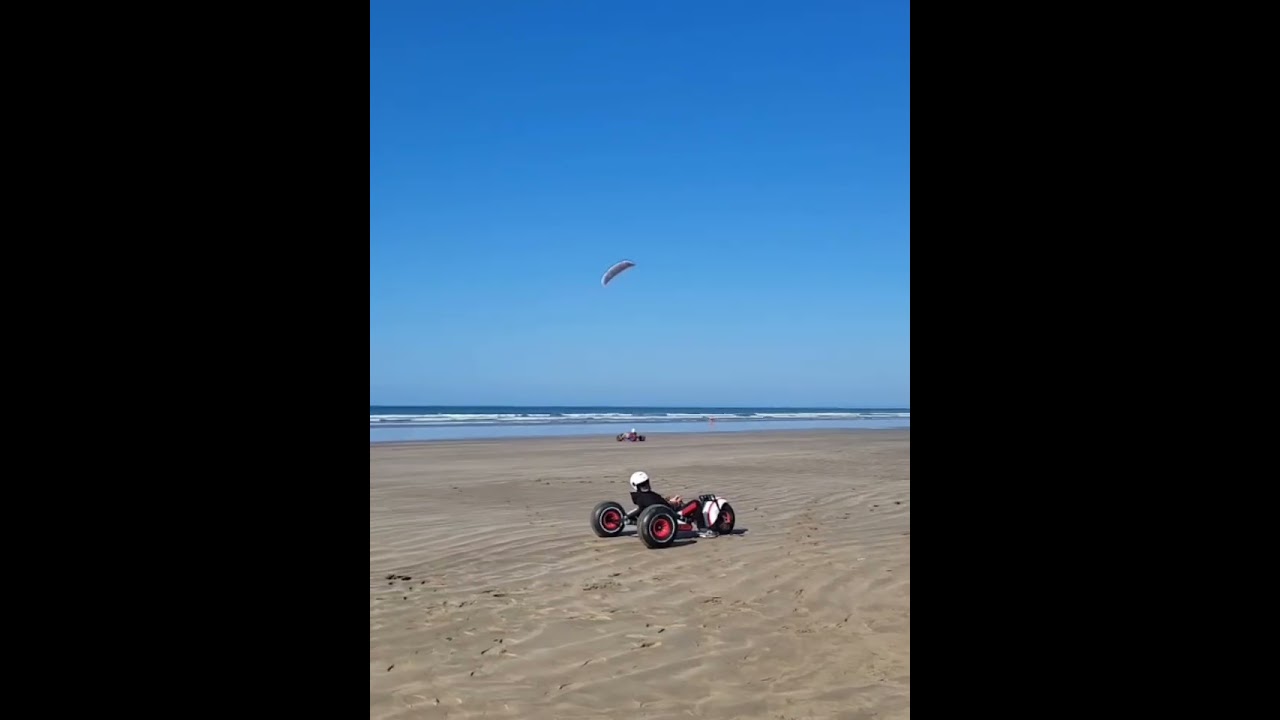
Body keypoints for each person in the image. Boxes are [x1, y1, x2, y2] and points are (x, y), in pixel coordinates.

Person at [627, 471, 718, 537]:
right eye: (643, 485)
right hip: (672, 514)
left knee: (679, 502)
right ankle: (702, 530)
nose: (646, 486)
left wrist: (670, 501)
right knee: (695, 503)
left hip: (661, 512)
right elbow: (660, 505)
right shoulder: (649, 496)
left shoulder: (638, 497)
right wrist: (673, 503)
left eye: (646, 483)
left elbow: (657, 503)